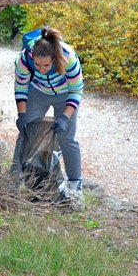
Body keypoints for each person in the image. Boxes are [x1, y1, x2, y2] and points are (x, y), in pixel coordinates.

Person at [12, 27, 84, 209]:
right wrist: (22, 115)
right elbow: (20, 87)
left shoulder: (69, 59)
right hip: (38, 91)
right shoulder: (24, 59)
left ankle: (75, 184)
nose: (42, 69)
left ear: (54, 59)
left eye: (46, 65)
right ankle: (14, 178)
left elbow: (76, 91)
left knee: (66, 137)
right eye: (38, 65)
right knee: (26, 132)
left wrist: (65, 118)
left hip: (65, 93)